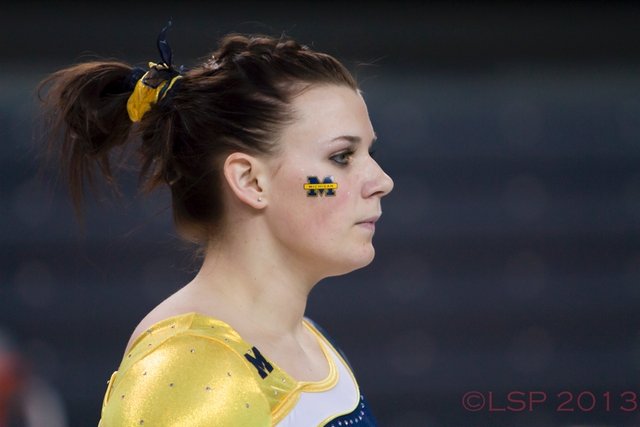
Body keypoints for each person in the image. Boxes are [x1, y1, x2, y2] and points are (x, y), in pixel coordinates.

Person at [38, 22, 393, 426]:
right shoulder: (191, 367)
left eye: (369, 152)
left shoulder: (307, 339)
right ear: (250, 180)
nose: (382, 181)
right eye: (342, 157)